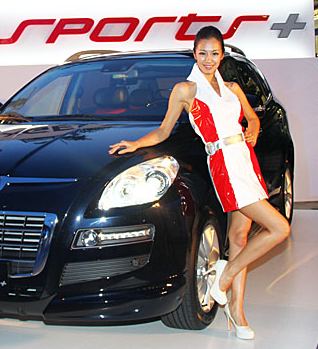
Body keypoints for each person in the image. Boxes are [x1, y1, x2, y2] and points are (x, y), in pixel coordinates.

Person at [108, 26, 290, 340]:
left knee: (239, 238)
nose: (208, 59)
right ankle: (225, 275)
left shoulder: (232, 87)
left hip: (246, 160)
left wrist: (253, 128)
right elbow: (164, 131)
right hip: (224, 163)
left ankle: (237, 313)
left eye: (214, 53)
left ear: (222, 55)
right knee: (279, 228)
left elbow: (252, 117)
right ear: (194, 53)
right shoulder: (186, 90)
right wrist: (136, 144)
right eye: (202, 53)